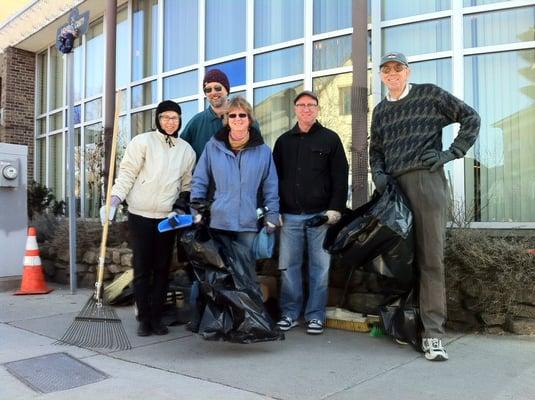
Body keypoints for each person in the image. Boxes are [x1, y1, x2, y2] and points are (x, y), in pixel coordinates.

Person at [369, 52, 480, 361]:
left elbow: (471, 117)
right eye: (387, 69)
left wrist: (452, 152)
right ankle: (405, 324)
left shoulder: (429, 94)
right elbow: (375, 149)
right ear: (381, 76)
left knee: (431, 259)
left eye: (398, 68)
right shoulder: (379, 111)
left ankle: (433, 335)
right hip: (394, 190)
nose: (392, 74)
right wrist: (377, 172)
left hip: (426, 182)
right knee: (400, 261)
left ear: (408, 71)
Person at [101, 100, 196, 337]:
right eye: (165, 117)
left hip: (166, 219)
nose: (170, 122)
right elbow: (127, 174)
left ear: (180, 120)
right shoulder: (142, 142)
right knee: (142, 269)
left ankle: (157, 317)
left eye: (174, 118)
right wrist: (114, 199)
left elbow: (187, 185)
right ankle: (143, 319)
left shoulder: (186, 150)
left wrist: (180, 207)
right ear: (157, 119)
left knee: (162, 269)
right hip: (140, 216)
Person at [273, 90, 349, 335]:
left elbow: (340, 177)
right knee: (289, 267)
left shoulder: (330, 139)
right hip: (290, 216)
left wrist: (334, 211)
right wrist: (275, 210)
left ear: (317, 109)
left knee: (320, 268)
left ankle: (315, 315)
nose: (306, 109)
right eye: (302, 105)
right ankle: (290, 313)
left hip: (320, 217)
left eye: (311, 105)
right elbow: (273, 179)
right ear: (295, 110)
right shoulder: (283, 142)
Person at [190, 96, 280, 277]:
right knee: (218, 273)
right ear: (226, 120)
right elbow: (200, 181)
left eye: (242, 115)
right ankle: (218, 307)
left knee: (245, 273)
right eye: (232, 115)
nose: (237, 119)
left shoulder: (263, 151)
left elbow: (270, 186)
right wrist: (196, 211)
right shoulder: (212, 147)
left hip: (248, 222)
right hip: (218, 221)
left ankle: (243, 306)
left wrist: (272, 215)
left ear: (249, 119)